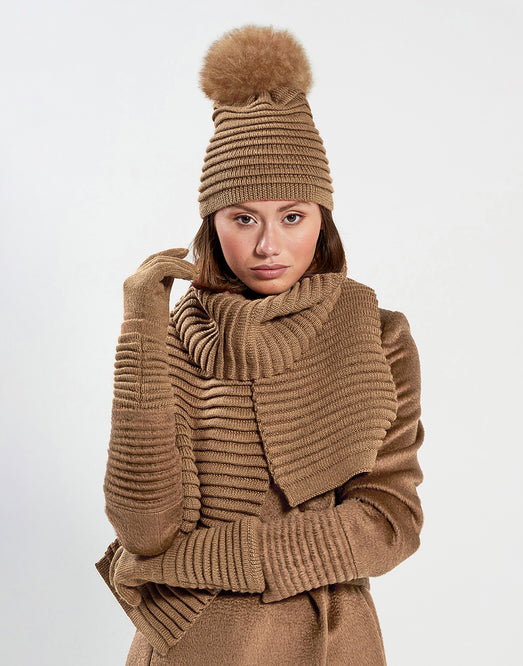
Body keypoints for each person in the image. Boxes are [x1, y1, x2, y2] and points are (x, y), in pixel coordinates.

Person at [96, 24, 425, 665]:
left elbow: (389, 523)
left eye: (292, 216)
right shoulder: (169, 339)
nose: (268, 245)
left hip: (328, 642)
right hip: (190, 646)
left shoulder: (378, 337)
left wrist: (202, 559)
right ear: (213, 226)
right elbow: (143, 530)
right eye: (243, 217)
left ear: (321, 218)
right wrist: (141, 327)